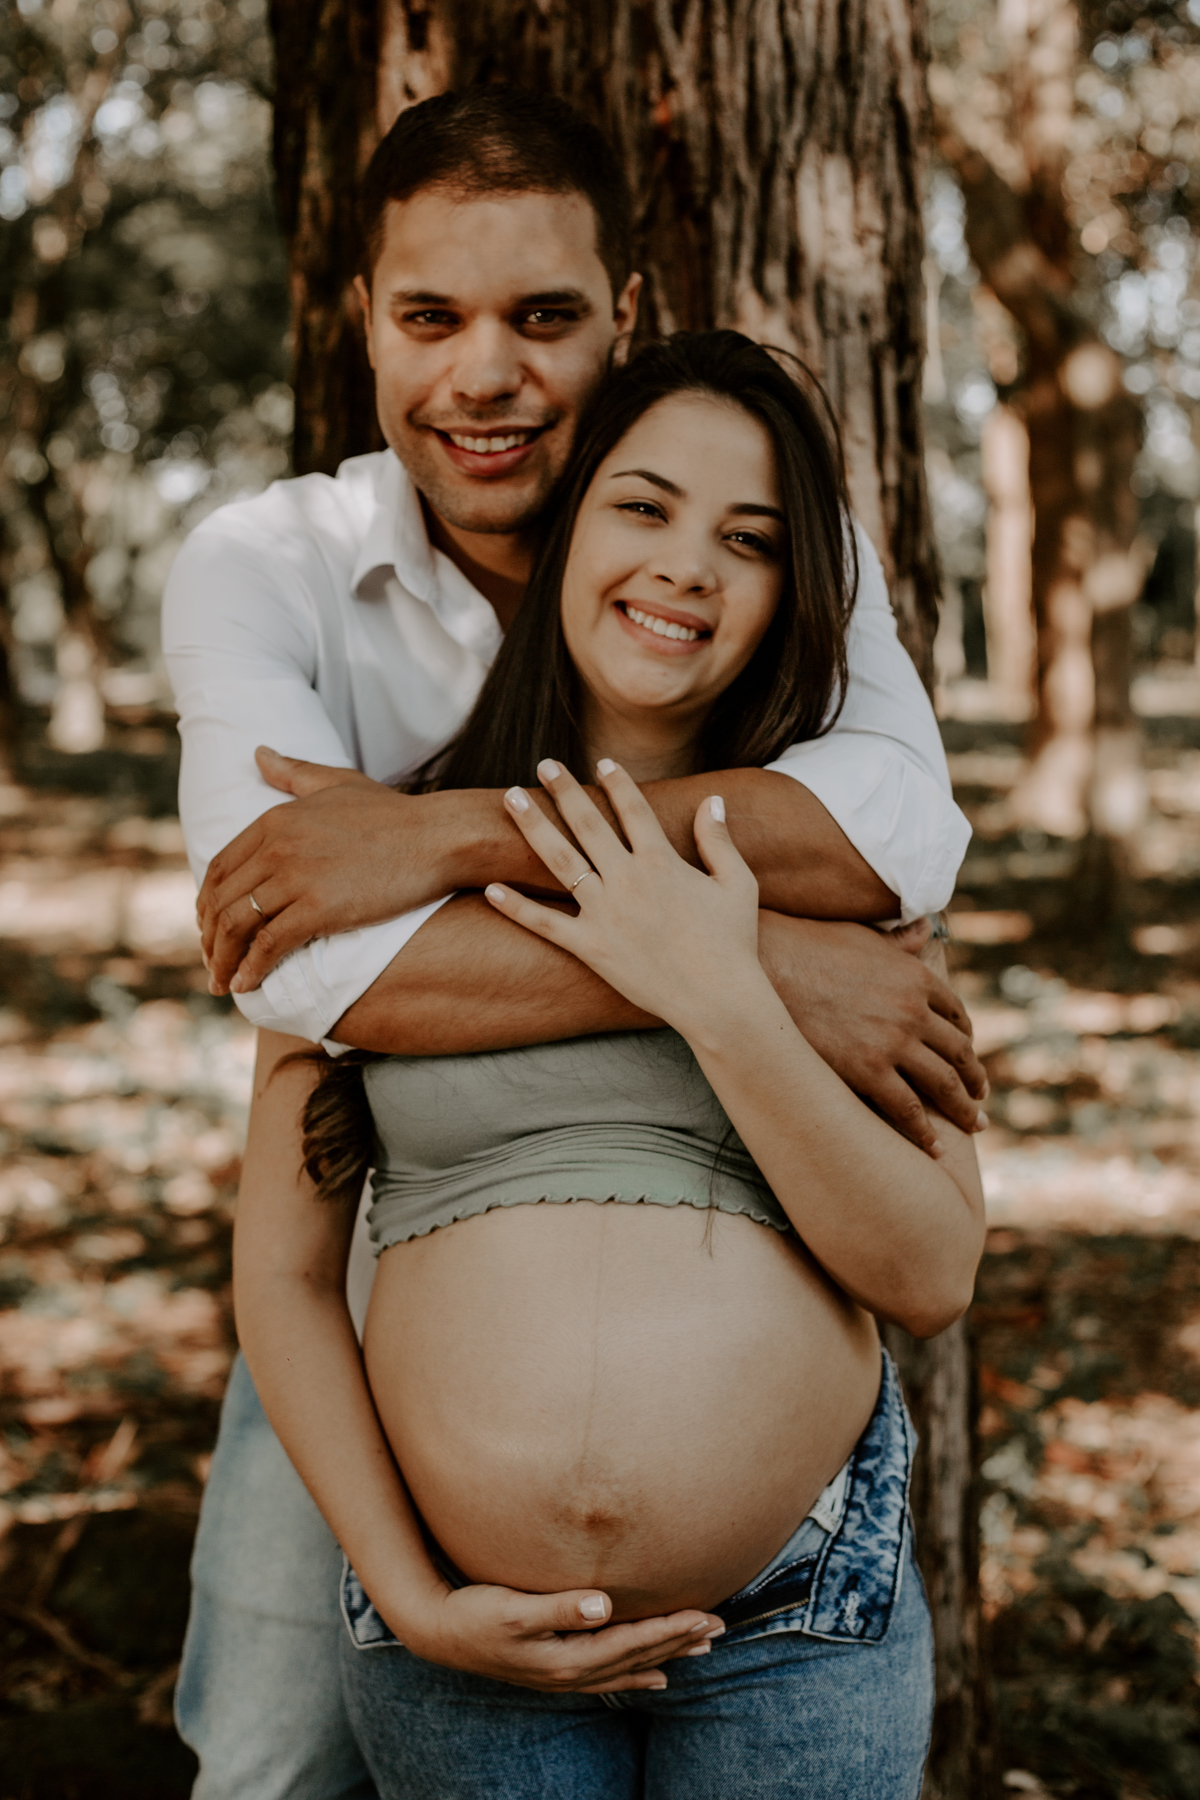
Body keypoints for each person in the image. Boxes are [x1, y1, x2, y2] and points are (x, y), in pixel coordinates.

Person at [163, 87, 985, 1800]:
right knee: (268, 1755)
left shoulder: (766, 531)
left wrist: (437, 838)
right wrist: (751, 957)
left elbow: (903, 834)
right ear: (360, 317)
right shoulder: (268, 568)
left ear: (622, 314)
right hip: (392, 1293)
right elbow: (296, 965)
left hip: (785, 1604)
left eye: (543, 316)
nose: (486, 375)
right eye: (431, 317)